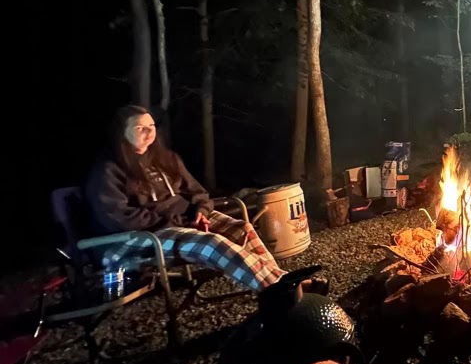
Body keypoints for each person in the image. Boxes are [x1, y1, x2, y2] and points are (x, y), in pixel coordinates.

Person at [86, 105, 321, 293]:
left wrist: (201, 211)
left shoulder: (165, 159)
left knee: (242, 229)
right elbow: (118, 217)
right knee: (211, 244)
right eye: (140, 128)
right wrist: (178, 221)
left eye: (151, 125)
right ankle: (284, 290)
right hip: (149, 234)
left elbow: (197, 192)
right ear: (122, 134)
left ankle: (280, 284)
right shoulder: (109, 170)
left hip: (184, 221)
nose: (149, 132)